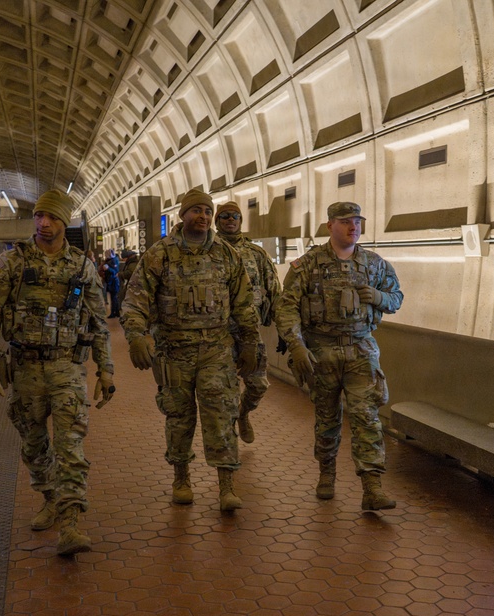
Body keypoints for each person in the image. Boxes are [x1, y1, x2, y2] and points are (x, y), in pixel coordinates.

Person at [0, 189, 115, 556]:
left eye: (51, 217)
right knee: (34, 446)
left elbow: (99, 323)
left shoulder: (81, 267)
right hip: (25, 370)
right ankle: (50, 497)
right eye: (38, 216)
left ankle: (70, 523)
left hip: (68, 367)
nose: (43, 223)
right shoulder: (12, 264)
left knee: (71, 445)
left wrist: (106, 370)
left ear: (64, 222)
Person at [121, 188, 260, 511]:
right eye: (196, 210)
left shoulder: (226, 254)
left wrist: (250, 342)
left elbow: (243, 303)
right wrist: (136, 336)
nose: (204, 217)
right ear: (182, 215)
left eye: (208, 211)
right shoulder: (160, 254)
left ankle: (226, 485)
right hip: (174, 351)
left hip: (216, 350)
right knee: (179, 417)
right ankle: (181, 478)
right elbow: (136, 299)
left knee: (221, 415)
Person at [275, 201, 403, 511]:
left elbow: (396, 298)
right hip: (322, 352)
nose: (353, 227)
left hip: (361, 351)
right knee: (327, 418)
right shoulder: (308, 264)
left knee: (367, 418)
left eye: (357, 221)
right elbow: (286, 307)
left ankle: (372, 487)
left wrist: (380, 297)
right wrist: (296, 345)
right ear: (330, 225)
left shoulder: (375, 264)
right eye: (346, 221)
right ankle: (326, 473)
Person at [214, 200, 281, 443]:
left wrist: (285, 331)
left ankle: (243, 414)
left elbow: (275, 292)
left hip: (250, 332)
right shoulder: (210, 251)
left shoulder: (257, 254)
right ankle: (228, 437)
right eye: (225, 216)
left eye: (235, 216)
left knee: (258, 384)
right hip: (219, 334)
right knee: (225, 389)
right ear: (217, 222)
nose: (230, 220)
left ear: (241, 221)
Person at [100, 249, 121, 318]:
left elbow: (115, 272)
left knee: (113, 297)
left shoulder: (114, 261)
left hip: (113, 281)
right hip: (111, 281)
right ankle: (116, 312)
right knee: (114, 297)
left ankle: (113, 313)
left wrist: (108, 268)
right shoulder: (110, 260)